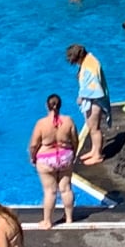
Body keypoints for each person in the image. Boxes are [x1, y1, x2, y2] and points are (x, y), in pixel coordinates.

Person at [28, 94, 78, 230]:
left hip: (46, 159)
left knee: (50, 191)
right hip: (65, 157)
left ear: (46, 105)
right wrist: (73, 154)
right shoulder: (68, 121)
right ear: (60, 105)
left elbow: (33, 145)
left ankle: (47, 221)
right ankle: (68, 218)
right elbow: (75, 140)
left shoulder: (41, 123)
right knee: (66, 188)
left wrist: (33, 157)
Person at [65, 43, 109, 164]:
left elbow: (94, 87)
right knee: (91, 126)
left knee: (95, 128)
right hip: (91, 100)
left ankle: (98, 155)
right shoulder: (88, 61)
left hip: (95, 101)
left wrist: (81, 96)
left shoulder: (90, 66)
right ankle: (94, 151)